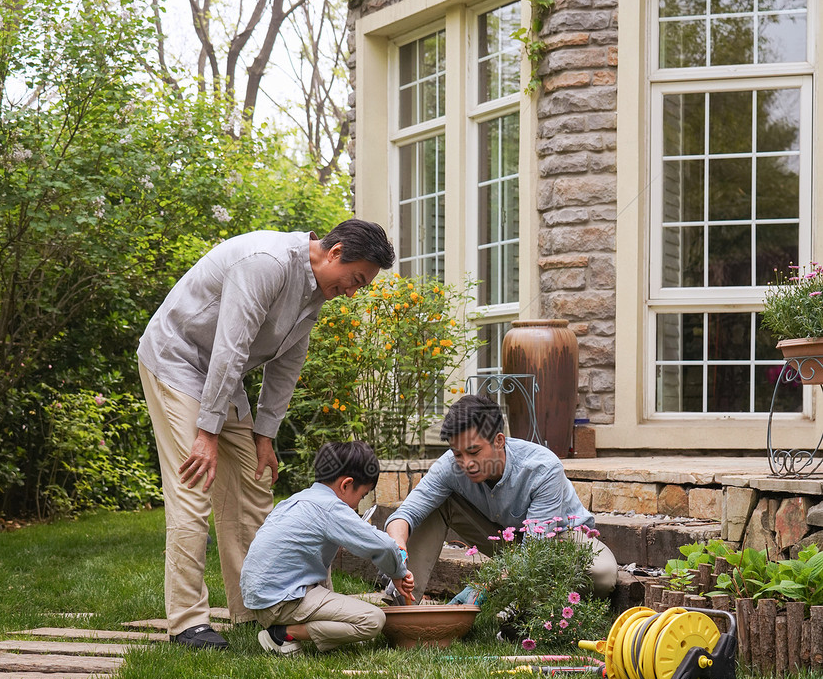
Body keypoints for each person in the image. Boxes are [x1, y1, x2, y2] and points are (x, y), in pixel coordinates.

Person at [138, 219, 395, 649]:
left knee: (255, 483)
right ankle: (187, 622)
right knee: (194, 488)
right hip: (178, 361)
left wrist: (263, 436)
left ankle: (255, 606)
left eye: (361, 286)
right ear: (335, 253)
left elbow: (285, 366)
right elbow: (230, 346)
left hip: (222, 376)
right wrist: (207, 431)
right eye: (355, 280)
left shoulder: (316, 293)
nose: (353, 292)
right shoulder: (266, 263)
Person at [385, 394, 618, 602]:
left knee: (603, 574)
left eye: (474, 452)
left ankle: (537, 604)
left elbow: (534, 553)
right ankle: (403, 602)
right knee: (432, 505)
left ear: (499, 440)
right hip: (505, 539)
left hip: (557, 539)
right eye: (458, 454)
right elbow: (405, 514)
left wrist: (483, 586)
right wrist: (398, 548)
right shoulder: (450, 465)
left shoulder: (542, 468)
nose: (466, 463)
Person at [240, 440, 414, 654]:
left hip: (263, 597)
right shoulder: (331, 508)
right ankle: (282, 634)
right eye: (361, 496)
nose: (357, 505)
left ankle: (321, 630)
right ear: (346, 484)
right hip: (282, 601)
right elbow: (385, 546)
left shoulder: (298, 500)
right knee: (373, 620)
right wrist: (398, 572)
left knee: (349, 620)